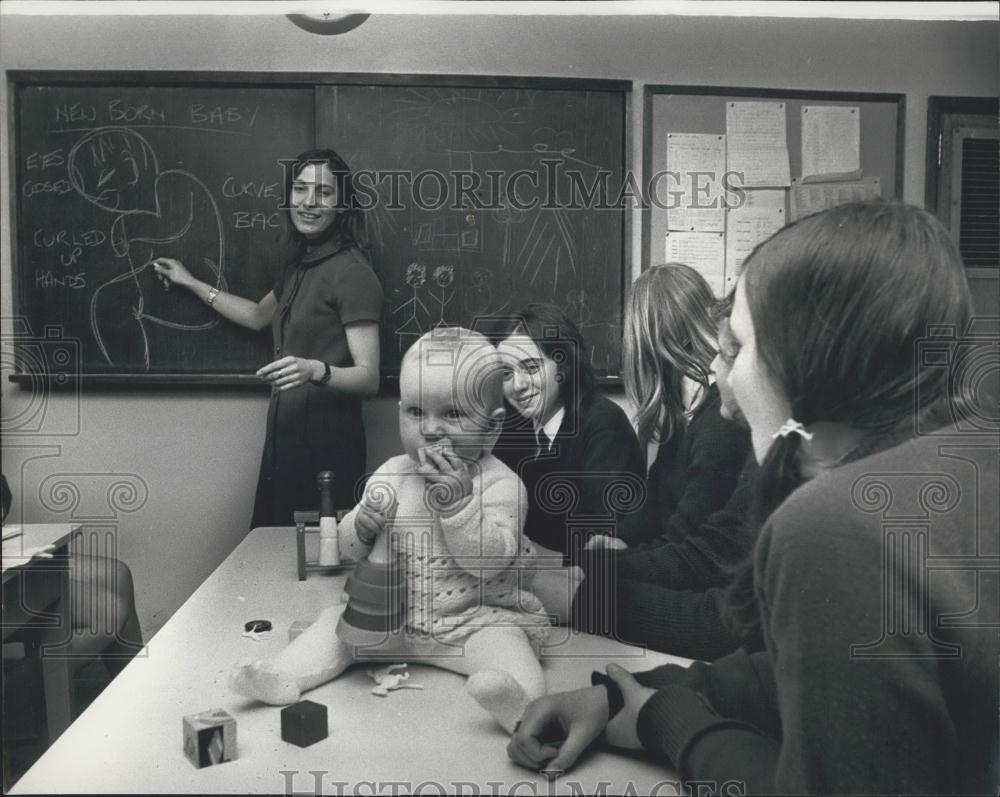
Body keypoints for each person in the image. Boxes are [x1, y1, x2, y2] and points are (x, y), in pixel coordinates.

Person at [508, 201, 999, 794]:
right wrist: (623, 695)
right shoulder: (959, 459)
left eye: (737, 349)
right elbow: (799, 671)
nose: (722, 379)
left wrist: (669, 721)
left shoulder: (835, 526)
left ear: (805, 359)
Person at [230, 328, 551, 733]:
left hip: (472, 621)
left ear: (491, 426)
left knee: (509, 646)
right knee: (334, 626)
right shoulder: (392, 473)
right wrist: (360, 528)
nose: (431, 430)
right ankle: (282, 676)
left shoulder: (500, 485)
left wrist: (459, 507)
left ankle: (521, 706)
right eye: (416, 412)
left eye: (452, 414)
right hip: (390, 621)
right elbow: (347, 550)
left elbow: (490, 562)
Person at [154, 149, 383, 523]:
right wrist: (190, 282)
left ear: (341, 205)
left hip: (327, 448)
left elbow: (369, 377)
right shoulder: (301, 265)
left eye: (324, 193)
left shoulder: (352, 271)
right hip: (285, 442)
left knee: (311, 562)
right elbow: (258, 316)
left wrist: (314, 370)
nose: (309, 203)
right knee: (271, 553)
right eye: (301, 189)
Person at [537, 293, 763, 660]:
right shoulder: (684, 421)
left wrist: (582, 582)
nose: (715, 369)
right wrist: (609, 552)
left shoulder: (722, 429)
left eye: (729, 352)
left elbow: (707, 564)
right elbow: (660, 515)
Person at [488, 304, 645, 565]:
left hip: (589, 581)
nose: (518, 385)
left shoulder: (604, 424)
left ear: (563, 366)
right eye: (506, 373)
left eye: (531, 367)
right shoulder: (512, 426)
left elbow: (594, 540)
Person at [611, 262, 751, 549]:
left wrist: (610, 565)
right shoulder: (683, 409)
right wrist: (619, 540)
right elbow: (655, 501)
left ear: (651, 340)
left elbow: (686, 541)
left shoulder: (720, 421)